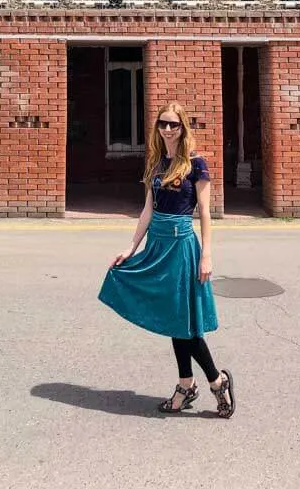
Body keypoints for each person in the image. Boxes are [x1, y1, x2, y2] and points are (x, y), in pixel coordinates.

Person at [98, 101, 235, 417]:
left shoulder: (196, 164)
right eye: (163, 123)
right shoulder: (157, 163)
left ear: (183, 128)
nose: (168, 129)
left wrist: (206, 255)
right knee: (174, 318)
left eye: (174, 124)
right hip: (157, 245)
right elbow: (147, 210)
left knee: (185, 321)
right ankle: (187, 383)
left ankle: (216, 381)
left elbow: (205, 212)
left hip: (181, 246)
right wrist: (131, 248)